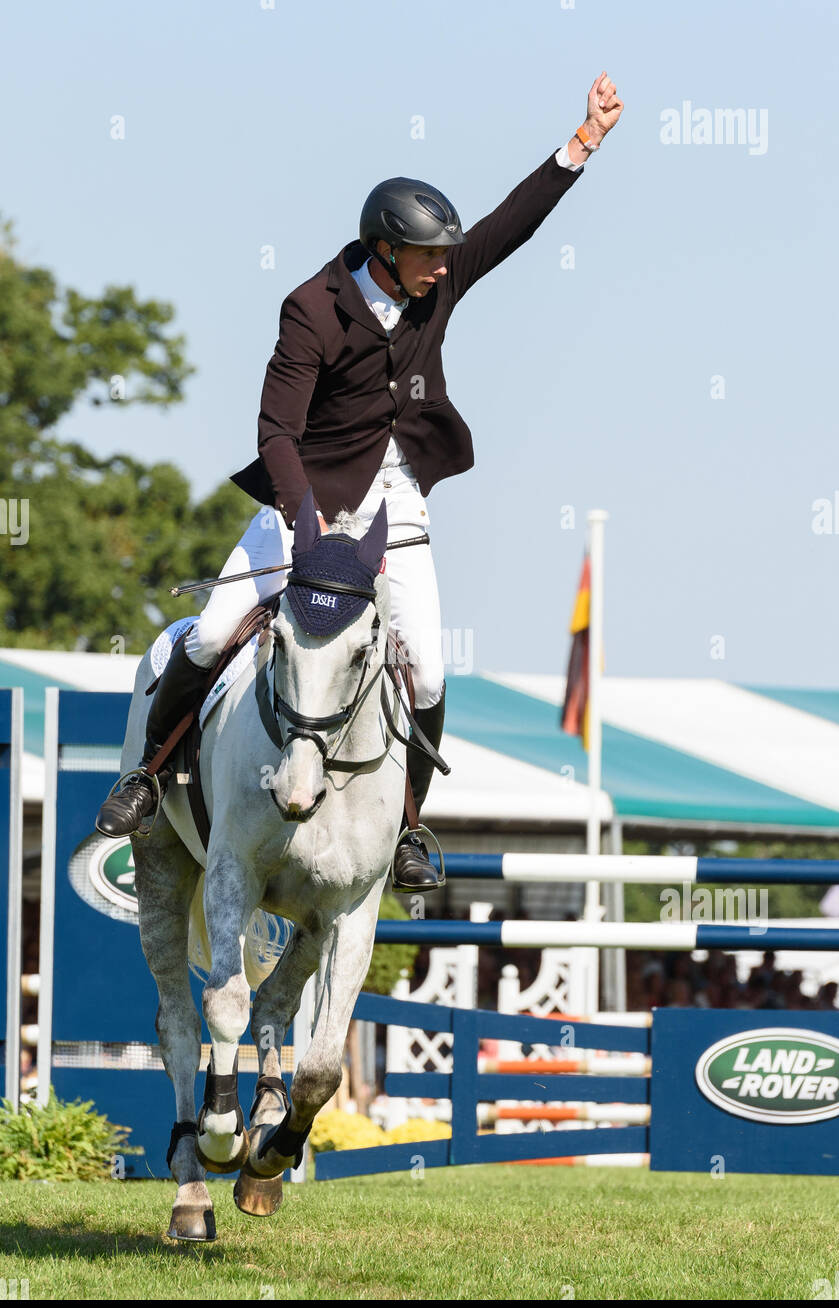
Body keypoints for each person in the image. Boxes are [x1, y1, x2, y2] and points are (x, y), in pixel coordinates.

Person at [96, 73, 624, 891]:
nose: (443, 269)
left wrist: (579, 145)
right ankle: (148, 774)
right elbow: (275, 432)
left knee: (431, 674)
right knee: (208, 633)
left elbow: (505, 231)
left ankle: (409, 825)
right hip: (301, 501)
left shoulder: (433, 289)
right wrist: (302, 518)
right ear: (386, 249)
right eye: (428, 256)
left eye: (446, 258)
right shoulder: (310, 308)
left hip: (395, 507)